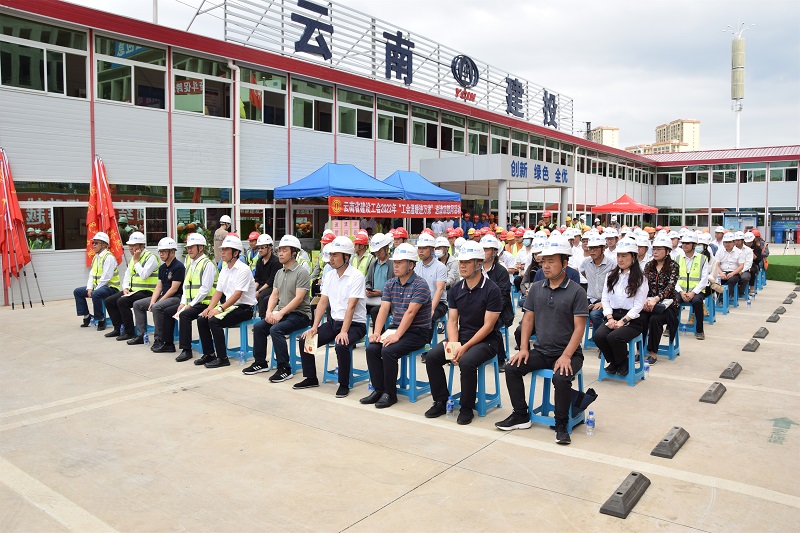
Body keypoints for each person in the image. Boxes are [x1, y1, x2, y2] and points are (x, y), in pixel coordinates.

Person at [497, 235, 587, 445]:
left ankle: (561, 424)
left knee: (561, 378)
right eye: (543, 261)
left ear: (564, 263)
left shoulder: (577, 291)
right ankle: (521, 414)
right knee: (512, 367)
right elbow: (528, 320)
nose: (545, 266)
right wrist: (524, 348)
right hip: (542, 351)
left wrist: (566, 356)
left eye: (551, 261)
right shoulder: (537, 288)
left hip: (570, 353)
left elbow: (579, 328)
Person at [424, 241, 503, 426]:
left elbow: (488, 326)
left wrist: (464, 347)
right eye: (461, 262)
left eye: (467, 262)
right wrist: (454, 345)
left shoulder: (492, 290)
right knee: (432, 357)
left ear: (478, 263)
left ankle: (467, 408)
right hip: (462, 337)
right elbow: (452, 321)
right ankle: (440, 401)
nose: (462, 266)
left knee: (467, 362)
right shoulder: (456, 289)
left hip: (487, 340)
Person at [360, 244, 432, 409]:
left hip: (417, 332)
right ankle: (378, 390)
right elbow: (384, 309)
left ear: (411, 265)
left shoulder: (420, 285)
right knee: (372, 348)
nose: (396, 266)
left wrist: (397, 336)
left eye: (400, 263)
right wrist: (377, 332)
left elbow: (410, 313)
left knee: (388, 351)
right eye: (395, 262)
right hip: (396, 328)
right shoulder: (390, 284)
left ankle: (390, 394)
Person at [297, 236, 367, 397]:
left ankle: (343, 384)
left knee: (341, 345)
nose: (331, 258)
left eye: (335, 255)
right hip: (334, 322)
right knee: (305, 340)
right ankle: (311, 378)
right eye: (330, 255)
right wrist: (314, 327)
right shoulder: (329, 276)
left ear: (346, 257)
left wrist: (344, 331)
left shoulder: (356, 276)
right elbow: (323, 302)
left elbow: (351, 307)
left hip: (355, 325)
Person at [243, 235, 312, 382]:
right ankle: (260, 362)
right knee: (259, 327)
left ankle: (284, 369)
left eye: (284, 250)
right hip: (284, 312)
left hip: (300, 314)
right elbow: (274, 295)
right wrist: (269, 312)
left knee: (276, 329)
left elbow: (299, 298)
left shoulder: (302, 272)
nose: (280, 253)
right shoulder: (280, 273)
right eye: (279, 250)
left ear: (294, 253)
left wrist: (280, 313)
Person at [195, 234, 258, 368]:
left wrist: (219, 309)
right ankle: (209, 354)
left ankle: (222, 358)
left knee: (214, 321)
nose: (222, 252)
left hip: (245, 308)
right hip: (231, 307)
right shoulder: (224, 269)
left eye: (226, 249)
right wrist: (209, 308)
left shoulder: (243, 270)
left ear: (235, 253)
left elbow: (237, 295)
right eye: (222, 249)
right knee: (202, 318)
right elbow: (218, 292)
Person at [593, 237, 648, 377]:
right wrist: (610, 318)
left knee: (614, 337)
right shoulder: (611, 276)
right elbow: (605, 299)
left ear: (633, 257)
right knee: (599, 336)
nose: (620, 259)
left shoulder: (640, 278)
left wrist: (623, 321)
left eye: (624, 256)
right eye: (618, 256)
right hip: (613, 316)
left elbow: (638, 306)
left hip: (632, 320)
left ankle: (621, 363)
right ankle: (618, 362)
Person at [128, 237, 185, 348]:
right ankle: (141, 335)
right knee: (137, 304)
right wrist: (153, 301)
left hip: (176, 298)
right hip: (164, 296)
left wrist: (158, 302)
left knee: (157, 307)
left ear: (172, 252)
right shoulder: (163, 267)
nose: (161, 254)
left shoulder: (178, 267)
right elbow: (159, 287)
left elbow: (173, 289)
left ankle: (159, 339)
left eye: (164, 251)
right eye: (160, 251)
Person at [171, 233, 218, 362]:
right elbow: (186, 286)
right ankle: (171, 344)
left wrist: (190, 305)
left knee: (185, 315)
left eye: (192, 247)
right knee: (178, 312)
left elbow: (205, 289)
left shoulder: (207, 264)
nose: (189, 250)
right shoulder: (190, 263)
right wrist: (183, 303)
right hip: (195, 303)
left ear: (200, 248)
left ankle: (187, 350)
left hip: (207, 303)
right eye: (188, 247)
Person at [104, 232, 159, 341]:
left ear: (142, 246)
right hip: (133, 291)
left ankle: (129, 332)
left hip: (148, 291)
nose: (130, 248)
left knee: (122, 302)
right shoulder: (133, 259)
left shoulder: (150, 258)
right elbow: (127, 275)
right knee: (109, 301)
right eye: (129, 245)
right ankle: (118, 328)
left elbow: (144, 275)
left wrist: (136, 261)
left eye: (133, 245)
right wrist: (125, 288)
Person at [639, 235, 680, 365]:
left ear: (667, 251)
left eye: (659, 249)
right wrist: (644, 300)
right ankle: (639, 351)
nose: (655, 252)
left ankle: (653, 353)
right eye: (654, 249)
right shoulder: (649, 265)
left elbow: (670, 287)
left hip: (668, 306)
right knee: (640, 317)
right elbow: (643, 285)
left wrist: (656, 299)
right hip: (650, 303)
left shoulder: (673, 266)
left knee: (655, 319)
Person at [74, 232, 119, 330]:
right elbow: (91, 274)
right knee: (77, 292)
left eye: (96, 243)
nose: (93, 245)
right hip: (98, 287)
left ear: (104, 245)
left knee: (96, 294)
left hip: (111, 288)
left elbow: (106, 278)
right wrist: (89, 288)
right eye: (93, 243)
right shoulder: (96, 257)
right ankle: (87, 316)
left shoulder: (109, 257)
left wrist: (95, 290)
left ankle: (100, 319)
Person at [480, 235, 513, 364]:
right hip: (480, 308)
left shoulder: (501, 271)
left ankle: (500, 359)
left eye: (487, 249)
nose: (484, 252)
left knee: (491, 324)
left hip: (500, 310)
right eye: (482, 249)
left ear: (494, 252)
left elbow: (503, 296)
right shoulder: (477, 269)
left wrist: (491, 311)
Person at [675, 232, 709, 340]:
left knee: (697, 302)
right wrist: (681, 292)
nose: (684, 245)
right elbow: (674, 278)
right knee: (674, 301)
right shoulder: (677, 258)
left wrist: (693, 292)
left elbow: (704, 279)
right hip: (681, 290)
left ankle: (700, 330)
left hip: (696, 291)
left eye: (687, 243)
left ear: (694, 245)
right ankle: (670, 327)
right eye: (683, 243)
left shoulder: (703, 259)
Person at [580, 234, 615, 336]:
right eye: (590, 248)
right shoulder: (586, 263)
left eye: (595, 248)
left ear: (603, 249)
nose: (592, 251)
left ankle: (603, 337)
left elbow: (615, 286)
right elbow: (583, 272)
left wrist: (603, 302)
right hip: (590, 299)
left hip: (606, 300)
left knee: (595, 315)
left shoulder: (612, 264)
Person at [415, 233, 448, 325]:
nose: (421, 251)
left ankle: (426, 336)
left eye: (424, 248)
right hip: (419, 302)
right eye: (419, 248)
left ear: (432, 250)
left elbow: (440, 289)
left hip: (438, 303)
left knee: (427, 318)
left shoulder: (440, 267)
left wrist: (431, 308)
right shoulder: (416, 266)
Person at [365, 232, 394, 328]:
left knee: (375, 311)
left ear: (386, 248)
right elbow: (368, 281)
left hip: (388, 301)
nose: (377, 254)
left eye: (379, 251)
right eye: (375, 252)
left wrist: (381, 293)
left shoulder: (393, 264)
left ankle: (379, 335)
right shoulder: (373, 264)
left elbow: (396, 287)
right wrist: (369, 290)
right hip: (373, 299)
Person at [253, 234, 282, 318]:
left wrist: (258, 291)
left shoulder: (276, 261)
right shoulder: (259, 261)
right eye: (258, 248)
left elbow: (271, 281)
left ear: (270, 248)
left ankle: (263, 319)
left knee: (262, 296)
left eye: (262, 247)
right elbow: (257, 279)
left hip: (273, 286)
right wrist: (253, 290)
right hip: (262, 285)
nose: (260, 250)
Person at [714, 232, 744, 298]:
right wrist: (721, 273)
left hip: (734, 273)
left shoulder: (739, 252)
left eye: (729, 242)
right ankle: (717, 297)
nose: (727, 244)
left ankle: (725, 298)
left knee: (731, 281)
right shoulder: (719, 251)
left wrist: (732, 273)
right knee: (715, 281)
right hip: (722, 272)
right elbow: (716, 265)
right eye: (725, 242)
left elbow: (741, 266)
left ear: (733, 242)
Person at [310, 230, 336, 295]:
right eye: (323, 244)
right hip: (322, 281)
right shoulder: (321, 255)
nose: (324, 246)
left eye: (325, 244)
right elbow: (316, 270)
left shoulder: (336, 260)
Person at [742, 231, 762, 298]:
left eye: (750, 242)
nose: (749, 244)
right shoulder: (742, 248)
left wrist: (754, 256)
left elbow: (759, 260)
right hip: (744, 263)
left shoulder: (757, 248)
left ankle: (752, 287)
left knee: (751, 271)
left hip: (754, 264)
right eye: (747, 242)